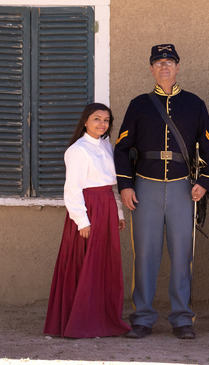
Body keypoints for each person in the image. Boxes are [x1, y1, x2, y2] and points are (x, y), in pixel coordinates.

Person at [114, 44, 209, 340]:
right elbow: (121, 149)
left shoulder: (194, 104)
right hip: (145, 186)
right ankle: (142, 318)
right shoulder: (139, 104)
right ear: (151, 69)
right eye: (158, 62)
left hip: (184, 187)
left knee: (183, 254)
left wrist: (205, 182)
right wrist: (125, 185)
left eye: (169, 61)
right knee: (145, 254)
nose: (164, 67)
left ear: (178, 67)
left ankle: (182, 317)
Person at [44, 103, 130, 338]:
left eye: (106, 120)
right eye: (96, 119)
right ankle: (79, 321)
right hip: (89, 210)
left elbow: (112, 185)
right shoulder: (78, 150)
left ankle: (101, 318)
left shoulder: (106, 146)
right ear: (85, 121)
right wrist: (82, 221)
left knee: (104, 264)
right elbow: (72, 189)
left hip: (107, 208)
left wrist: (119, 213)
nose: (102, 124)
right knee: (84, 265)